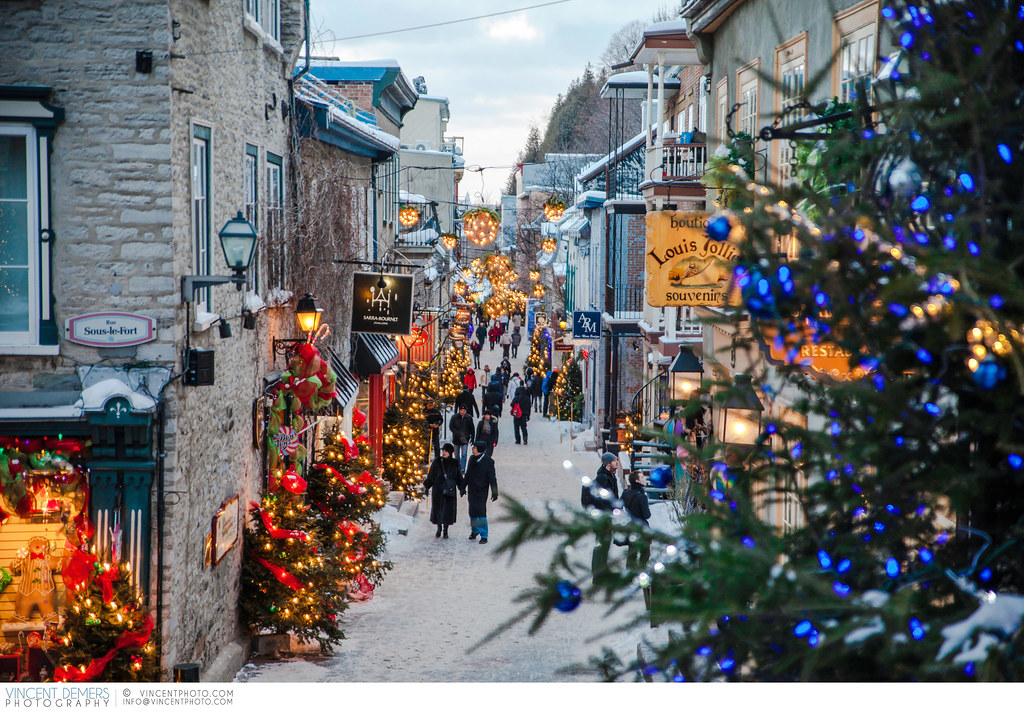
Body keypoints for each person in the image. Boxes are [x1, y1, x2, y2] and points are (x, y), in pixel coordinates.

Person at [583, 452, 621, 581]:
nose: (617, 462)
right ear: (607, 463)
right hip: (602, 518)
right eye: (614, 460)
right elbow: (599, 499)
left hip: (607, 517)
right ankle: (598, 576)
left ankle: (603, 572)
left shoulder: (610, 476)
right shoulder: (603, 478)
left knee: (605, 544)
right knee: (601, 545)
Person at [423, 443, 465, 539]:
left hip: (449, 490)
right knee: (438, 510)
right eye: (443, 451)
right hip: (438, 489)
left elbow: (458, 477)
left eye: (446, 451)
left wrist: (461, 488)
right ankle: (439, 528)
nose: (444, 452)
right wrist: (427, 486)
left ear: (450, 452)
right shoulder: (437, 461)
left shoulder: (455, 463)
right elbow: (431, 475)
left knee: (448, 511)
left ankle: (446, 530)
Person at [464, 440, 498, 543]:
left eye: (474, 447)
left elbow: (492, 478)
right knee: (472, 511)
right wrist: (462, 487)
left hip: (482, 490)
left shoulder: (489, 462)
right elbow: (468, 474)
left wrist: (494, 491)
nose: (473, 449)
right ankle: (474, 531)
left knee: (481, 512)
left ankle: (484, 535)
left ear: (480, 449)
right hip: (472, 489)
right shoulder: (472, 459)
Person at [621, 471, 652, 571]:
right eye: (642, 477)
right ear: (637, 480)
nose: (645, 478)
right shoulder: (642, 497)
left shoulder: (626, 493)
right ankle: (642, 574)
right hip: (641, 528)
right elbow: (647, 515)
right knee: (645, 553)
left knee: (632, 553)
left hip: (630, 526)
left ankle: (629, 576)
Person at [449, 404, 475, 469]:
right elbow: (451, 426)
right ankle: (458, 466)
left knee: (464, 454)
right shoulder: (454, 417)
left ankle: (463, 467)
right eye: (461, 410)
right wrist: (457, 433)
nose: (462, 412)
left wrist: (472, 437)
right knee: (456, 455)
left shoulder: (469, 418)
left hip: (465, 439)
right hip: (456, 439)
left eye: (464, 410)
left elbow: (472, 428)